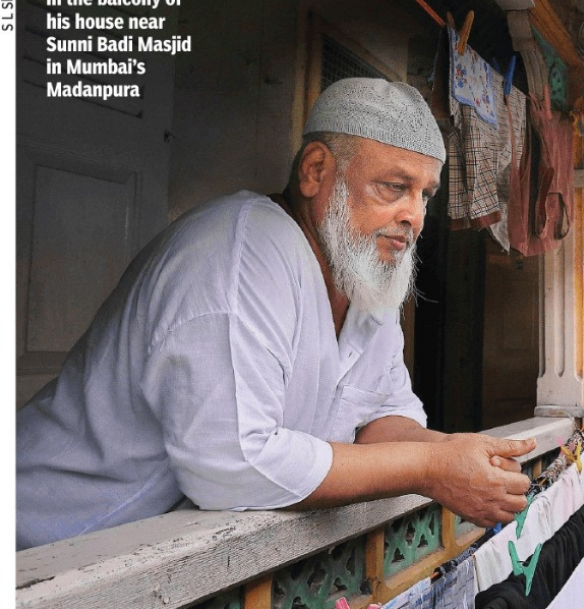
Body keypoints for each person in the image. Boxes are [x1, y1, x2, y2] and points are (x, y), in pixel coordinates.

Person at [16, 78, 535, 550]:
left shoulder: (361, 275)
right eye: (393, 187)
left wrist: (458, 456)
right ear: (315, 171)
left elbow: (381, 415)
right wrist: (430, 466)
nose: (415, 217)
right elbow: (236, 465)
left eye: (425, 195)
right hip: (38, 542)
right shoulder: (239, 254)